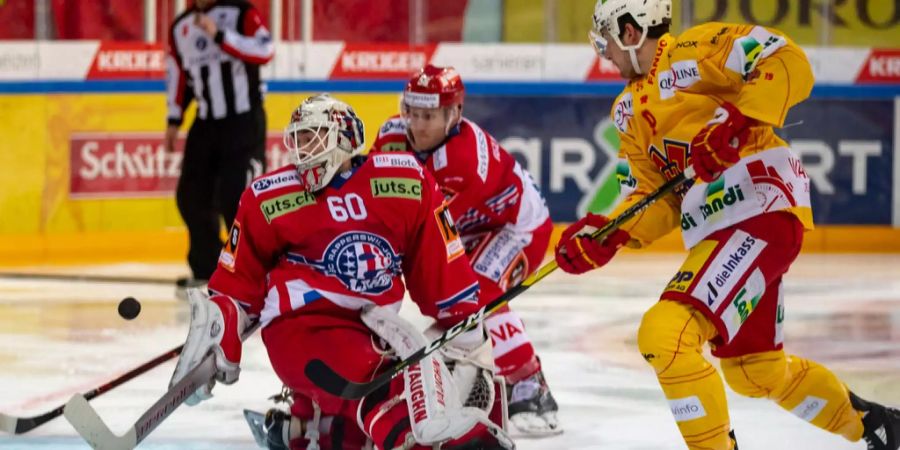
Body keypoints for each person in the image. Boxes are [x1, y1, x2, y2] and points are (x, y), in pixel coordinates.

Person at [553, 1, 900, 449]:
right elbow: (655, 197)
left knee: (665, 333)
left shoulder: (694, 51)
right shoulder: (625, 111)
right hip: (720, 230)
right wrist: (610, 232)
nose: (604, 54)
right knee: (755, 370)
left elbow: (787, 59)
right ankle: (879, 426)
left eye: (606, 40)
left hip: (760, 207)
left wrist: (740, 121)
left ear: (630, 30)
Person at [168, 94, 514, 450]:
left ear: (346, 138)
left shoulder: (406, 182)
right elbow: (237, 284)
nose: (302, 150)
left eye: (313, 136)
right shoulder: (268, 197)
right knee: (387, 384)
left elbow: (439, 266)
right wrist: (222, 325)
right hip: (302, 327)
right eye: (298, 139)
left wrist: (463, 321)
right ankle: (429, 443)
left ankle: (309, 430)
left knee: (375, 398)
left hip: (370, 326)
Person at [370, 65, 561, 436]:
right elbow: (375, 189)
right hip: (469, 228)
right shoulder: (392, 134)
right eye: (413, 112)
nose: (418, 125)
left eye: (429, 116)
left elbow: (422, 227)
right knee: (460, 297)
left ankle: (530, 384)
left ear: (453, 115)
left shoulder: (462, 160)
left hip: (518, 229)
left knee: (477, 296)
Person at [165, 0, 274, 297]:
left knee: (236, 198)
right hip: (206, 122)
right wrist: (174, 118)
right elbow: (179, 75)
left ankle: (248, 271)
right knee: (191, 196)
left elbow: (265, 51)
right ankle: (207, 271)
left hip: (243, 120)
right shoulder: (181, 27)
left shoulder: (241, 13)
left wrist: (220, 36)